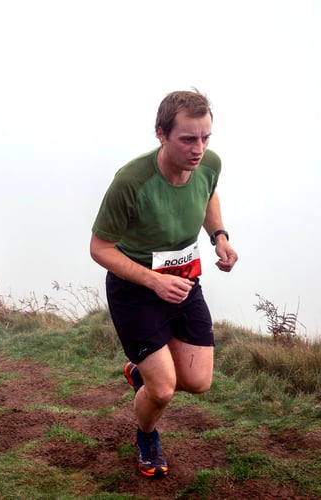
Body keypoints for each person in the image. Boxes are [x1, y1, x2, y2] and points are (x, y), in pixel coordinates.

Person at [89, 90, 238, 478]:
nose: (199, 148)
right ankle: (146, 436)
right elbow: (99, 248)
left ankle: (141, 374)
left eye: (205, 137)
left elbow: (207, 194)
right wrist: (153, 282)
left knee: (199, 382)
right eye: (188, 139)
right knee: (164, 390)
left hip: (185, 282)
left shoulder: (209, 164)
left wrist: (219, 236)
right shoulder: (130, 180)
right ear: (161, 134)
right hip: (136, 289)